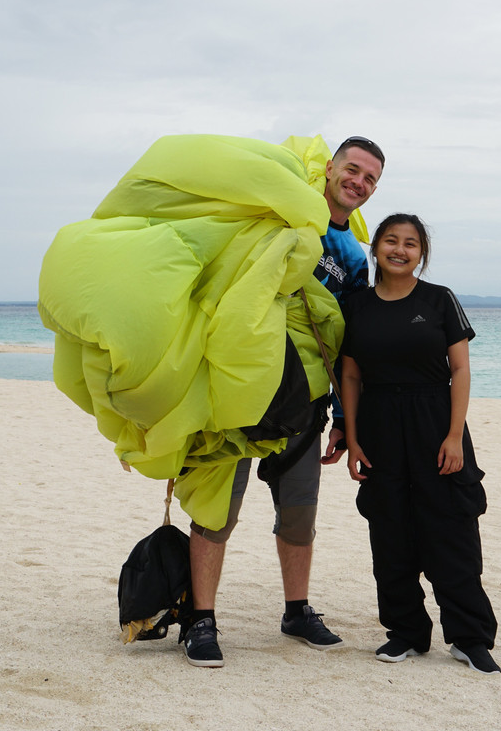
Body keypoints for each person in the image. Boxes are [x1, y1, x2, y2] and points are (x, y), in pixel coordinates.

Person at [181, 136, 386, 667]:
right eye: (353, 169)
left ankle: (297, 610)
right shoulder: (281, 213)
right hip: (239, 387)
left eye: (369, 179)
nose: (358, 182)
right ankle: (200, 619)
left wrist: (344, 418)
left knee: (299, 512)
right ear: (330, 167)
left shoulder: (352, 258)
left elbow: (344, 341)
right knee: (218, 507)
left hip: (305, 401)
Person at [339, 213, 501, 674]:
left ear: (421, 254)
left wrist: (454, 436)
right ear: (376, 249)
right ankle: (406, 633)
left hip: (435, 422)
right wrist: (352, 439)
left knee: (452, 530)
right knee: (389, 533)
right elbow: (350, 375)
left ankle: (469, 637)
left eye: (411, 243)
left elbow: (461, 370)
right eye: (391, 240)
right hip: (379, 425)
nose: (400, 249)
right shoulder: (358, 306)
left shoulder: (439, 300)